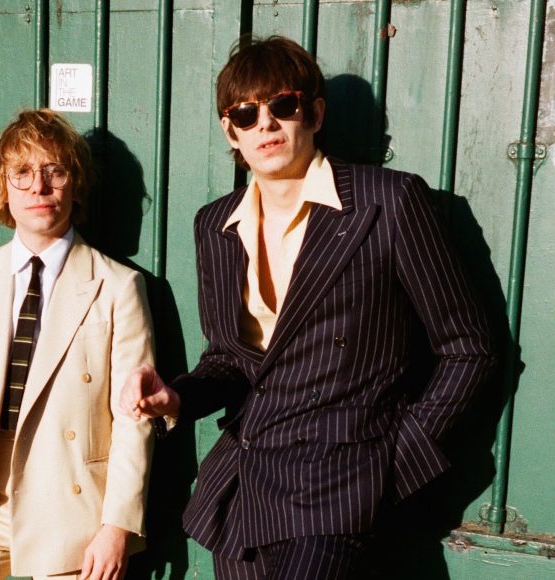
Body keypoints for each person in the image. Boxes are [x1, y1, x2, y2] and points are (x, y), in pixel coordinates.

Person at [120, 36, 495, 579]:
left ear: (314, 114)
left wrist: (398, 457)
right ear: (231, 131)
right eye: (246, 114)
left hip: (342, 485)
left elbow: (469, 347)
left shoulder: (387, 201)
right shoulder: (216, 224)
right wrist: (176, 396)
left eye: (283, 105)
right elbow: (230, 360)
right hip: (246, 487)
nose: (265, 124)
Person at [0, 109, 154, 580]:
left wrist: (117, 527)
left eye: (54, 171)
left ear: (74, 184)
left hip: (72, 511)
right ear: (2, 188)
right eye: (21, 173)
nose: (38, 187)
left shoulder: (118, 286)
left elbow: (134, 418)